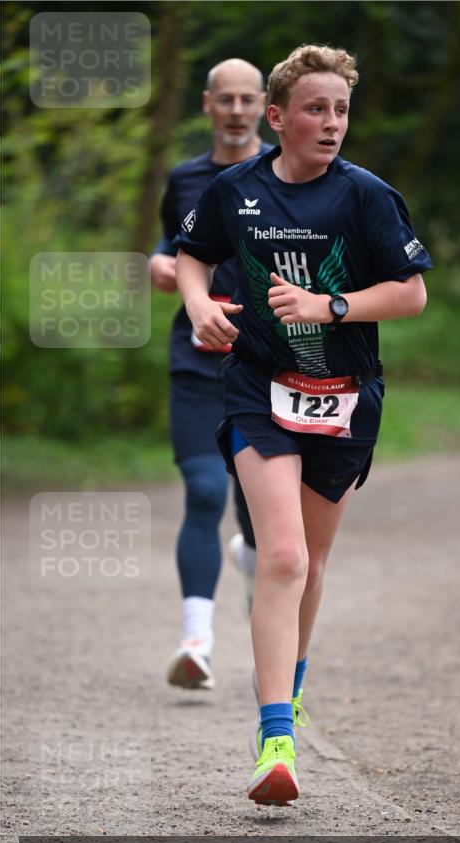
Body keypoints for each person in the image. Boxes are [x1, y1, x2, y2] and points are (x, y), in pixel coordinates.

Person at [176, 43, 432, 806]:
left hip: (344, 397)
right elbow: (193, 255)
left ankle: (288, 687)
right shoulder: (236, 189)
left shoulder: (366, 196)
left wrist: (330, 306)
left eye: (341, 110)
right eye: (315, 109)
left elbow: (410, 294)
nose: (331, 123)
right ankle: (276, 738)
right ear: (277, 117)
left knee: (312, 565)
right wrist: (198, 303)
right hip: (258, 390)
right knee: (282, 556)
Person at [150, 59, 271, 692]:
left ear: (266, 106)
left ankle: (253, 564)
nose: (236, 110)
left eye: (248, 99)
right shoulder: (185, 178)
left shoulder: (287, 175)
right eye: (226, 99)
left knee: (258, 516)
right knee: (203, 491)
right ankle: (196, 641)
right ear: (207, 104)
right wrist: (159, 263)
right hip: (197, 360)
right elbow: (174, 244)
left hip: (269, 366)